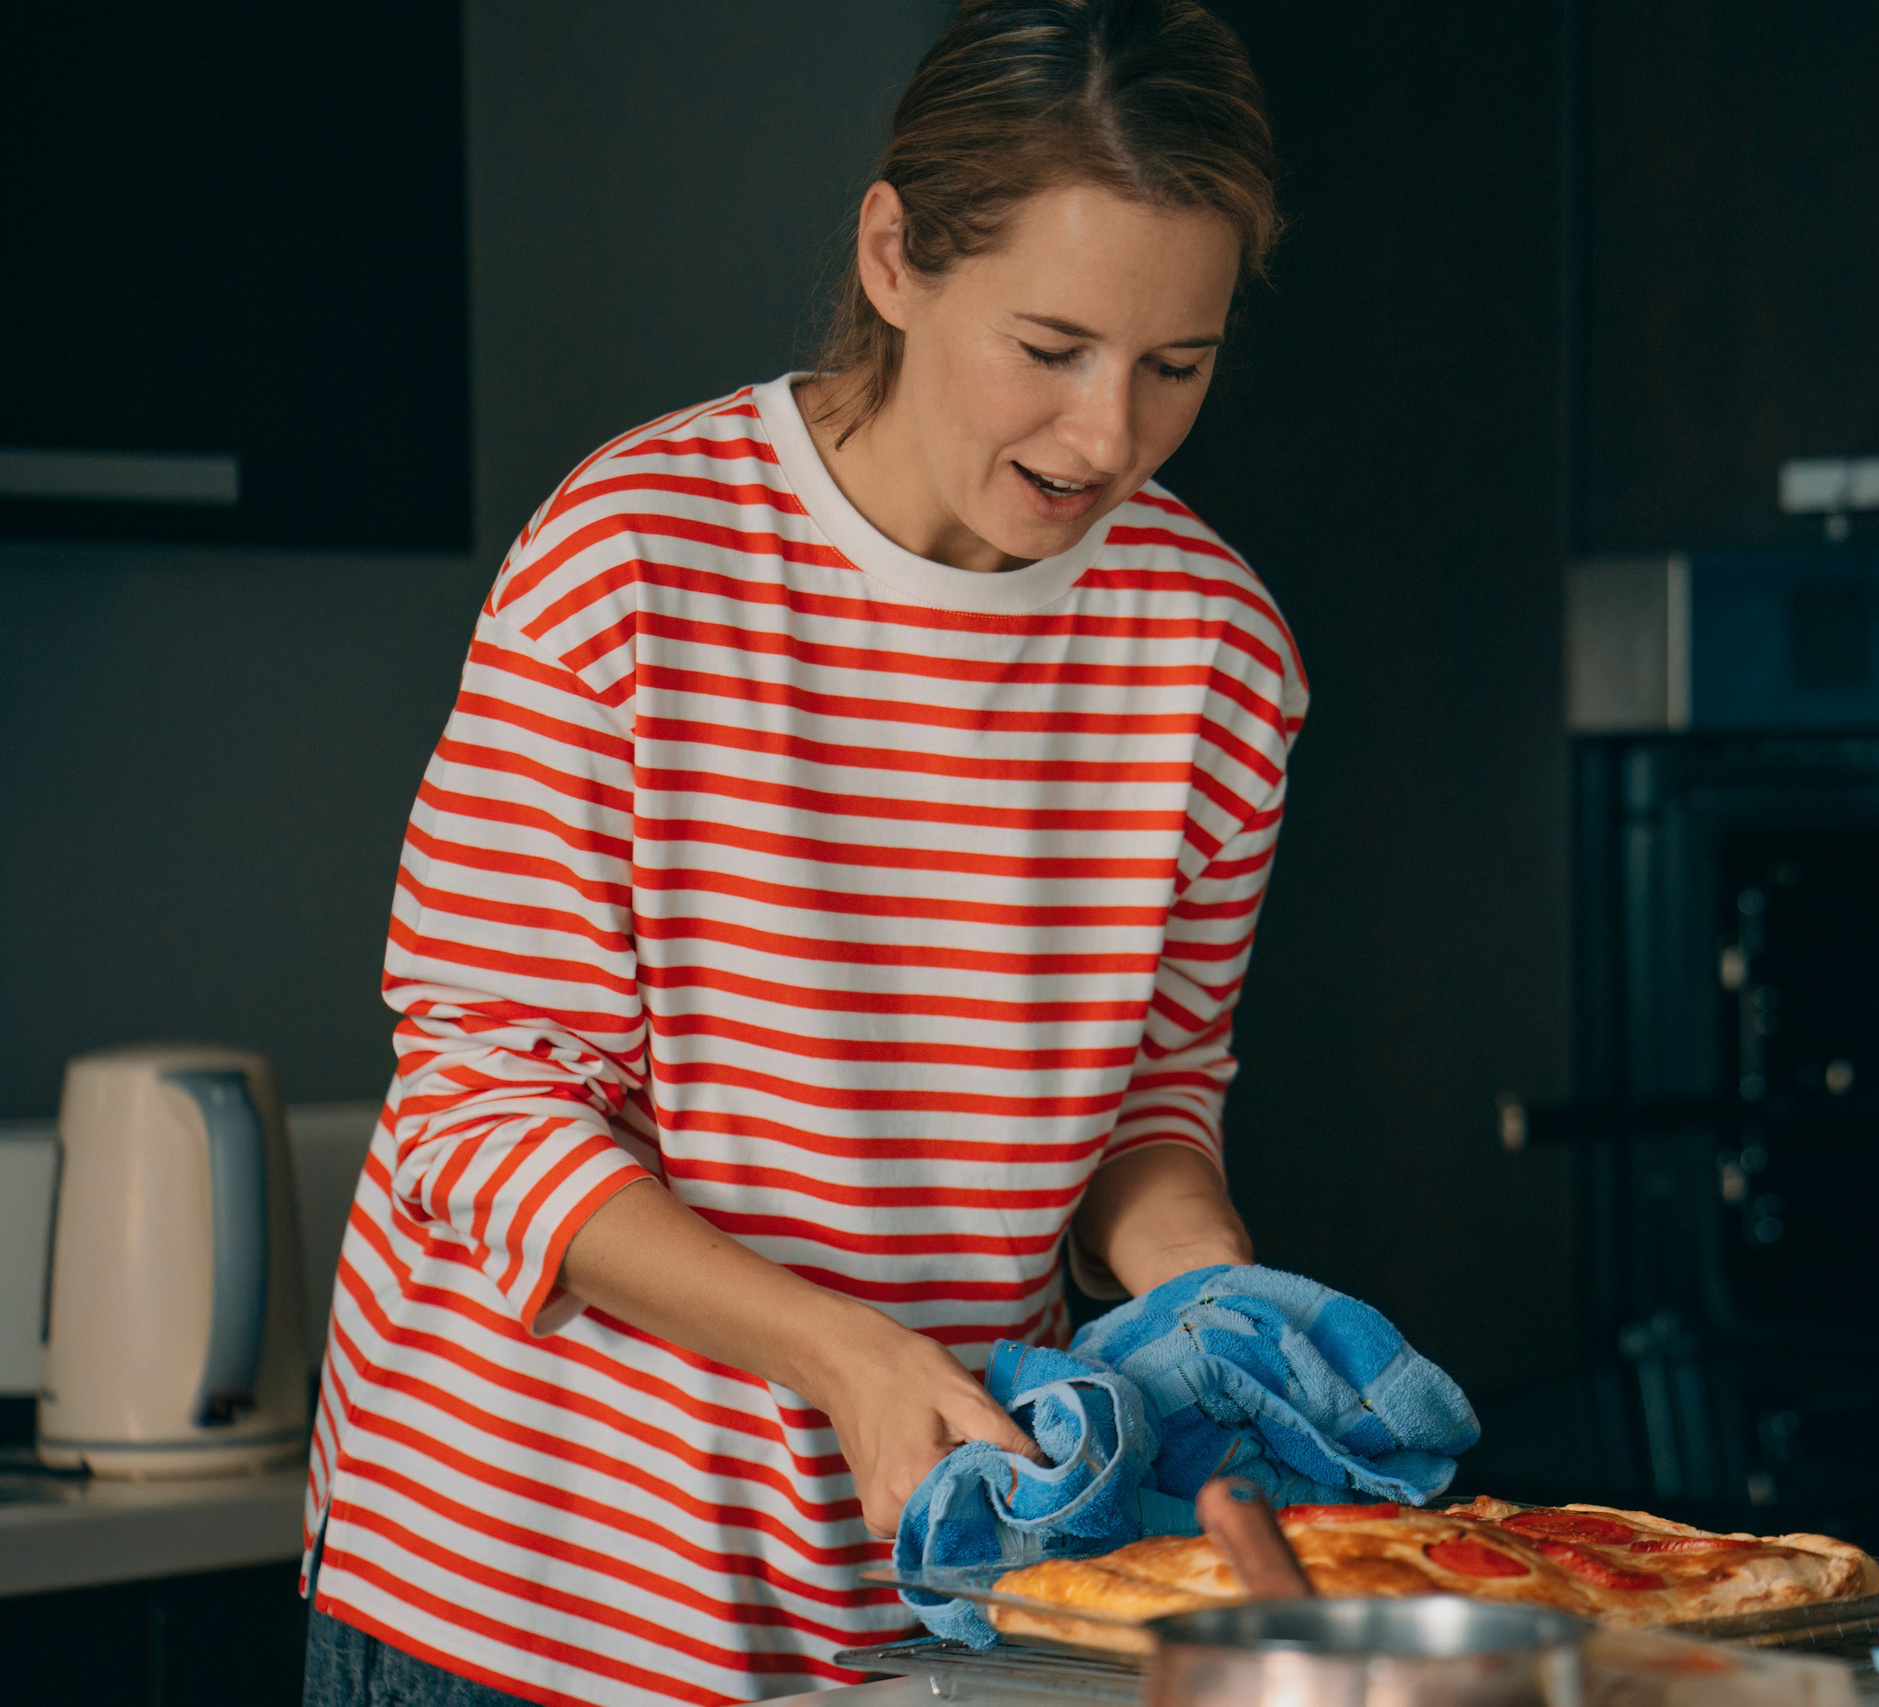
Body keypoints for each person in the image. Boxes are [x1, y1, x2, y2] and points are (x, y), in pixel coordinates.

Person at [299, 4, 1298, 1701]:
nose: (1108, 438)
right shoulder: (635, 555)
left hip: (923, 1590)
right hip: (524, 1594)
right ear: (895, 253)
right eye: (1050, 346)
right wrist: (844, 1353)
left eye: (1175, 367)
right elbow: (480, 1104)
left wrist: (1217, 1301)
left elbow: (1148, 1098)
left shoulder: (1214, 650)